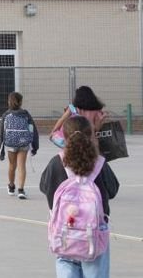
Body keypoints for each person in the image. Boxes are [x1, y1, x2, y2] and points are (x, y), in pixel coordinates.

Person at [40, 115, 119, 277]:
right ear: (91, 136)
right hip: (94, 235)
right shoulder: (99, 163)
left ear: (64, 137)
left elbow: (44, 187)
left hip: (64, 233)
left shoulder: (56, 163)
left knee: (64, 263)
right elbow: (113, 189)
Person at [0, 91, 39, 199]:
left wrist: (0, 151)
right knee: (22, 166)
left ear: (9, 102)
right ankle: (21, 190)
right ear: (20, 102)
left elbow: (1, 133)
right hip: (23, 142)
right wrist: (35, 146)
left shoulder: (6, 114)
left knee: (12, 166)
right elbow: (33, 130)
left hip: (10, 143)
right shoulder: (25, 114)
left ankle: (11, 186)